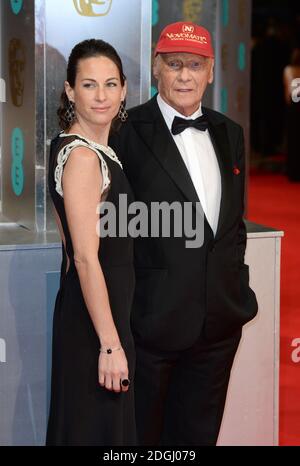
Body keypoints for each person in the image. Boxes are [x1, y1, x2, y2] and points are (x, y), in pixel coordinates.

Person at [111, 22, 258, 446]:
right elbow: (115, 230)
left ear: (211, 71)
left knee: (198, 438)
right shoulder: (125, 131)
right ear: (156, 68)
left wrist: (235, 285)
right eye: (174, 64)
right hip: (151, 326)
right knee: (143, 441)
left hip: (218, 325)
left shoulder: (230, 133)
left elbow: (233, 224)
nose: (185, 76)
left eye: (195, 65)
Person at [46, 39, 136, 446]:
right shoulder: (82, 158)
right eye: (88, 85)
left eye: (110, 83)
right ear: (69, 90)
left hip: (94, 313)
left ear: (124, 89)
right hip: (97, 325)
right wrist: (110, 343)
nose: (102, 96)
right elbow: (82, 258)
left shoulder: (92, 150)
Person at [283, 47, 300, 182]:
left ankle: (293, 171)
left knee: (294, 139)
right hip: (295, 105)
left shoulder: (289, 69)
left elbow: (289, 91)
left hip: (295, 106)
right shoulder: (290, 69)